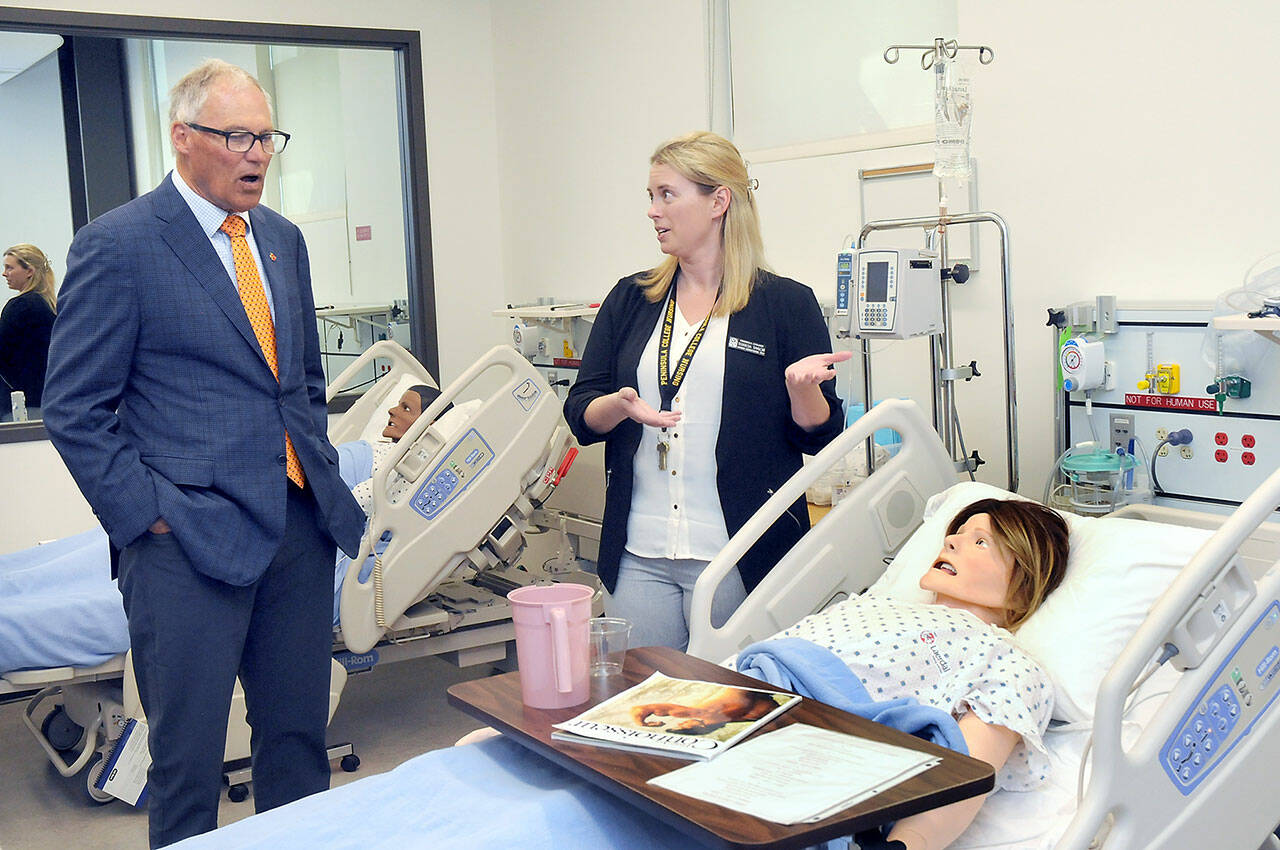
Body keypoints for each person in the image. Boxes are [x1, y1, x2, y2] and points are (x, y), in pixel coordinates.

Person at [42, 59, 364, 848]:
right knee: (185, 765)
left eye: (267, 137)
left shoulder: (282, 240)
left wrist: (313, 465)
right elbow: (74, 407)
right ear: (184, 139)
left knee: (295, 746)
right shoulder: (119, 246)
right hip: (185, 544)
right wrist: (146, 517)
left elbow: (301, 383)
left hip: (296, 529)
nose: (258, 154)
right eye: (239, 137)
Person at [563, 130, 850, 651]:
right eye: (651, 196)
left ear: (718, 201)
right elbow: (581, 411)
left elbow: (819, 436)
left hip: (739, 550)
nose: (653, 211)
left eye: (667, 195)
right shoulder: (630, 299)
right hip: (638, 552)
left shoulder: (786, 305)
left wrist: (801, 389)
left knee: (737, 706)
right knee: (643, 708)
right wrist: (619, 406)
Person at [762, 498, 1071, 850]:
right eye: (957, 533)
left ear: (1023, 588)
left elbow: (967, 771)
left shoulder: (1006, 660)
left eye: (980, 541)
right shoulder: (873, 605)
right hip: (727, 700)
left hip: (801, 748)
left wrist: (905, 844)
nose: (951, 541)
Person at [0, 244, 57, 418]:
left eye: (9, 267)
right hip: (47, 399)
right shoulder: (49, 306)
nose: (4, 273)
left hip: (20, 404)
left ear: (29, 271)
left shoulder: (20, 306)